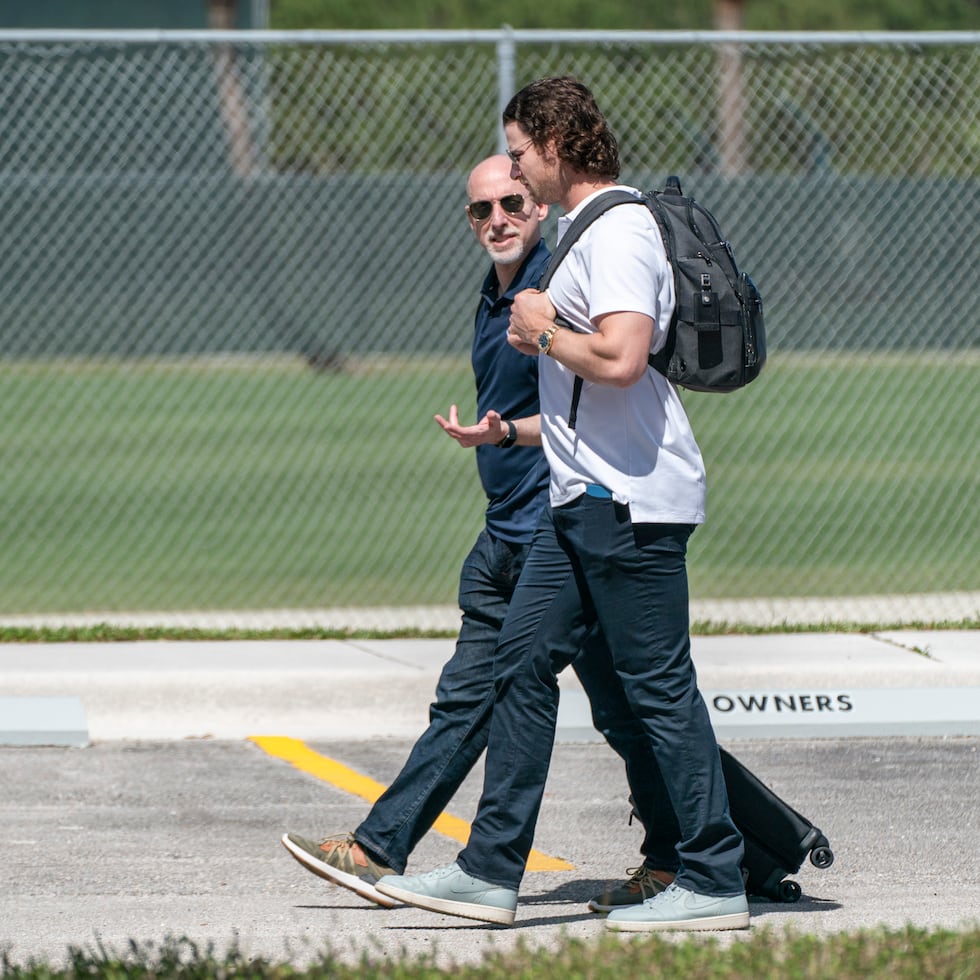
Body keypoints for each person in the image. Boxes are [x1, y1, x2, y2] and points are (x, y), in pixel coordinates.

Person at [375, 78, 749, 933]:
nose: (510, 169)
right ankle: (488, 871)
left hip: (630, 501)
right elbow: (588, 396)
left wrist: (540, 328)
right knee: (520, 664)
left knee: (656, 689)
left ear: (552, 146)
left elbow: (619, 360)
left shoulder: (617, 231)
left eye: (517, 151)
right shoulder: (588, 232)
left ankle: (715, 876)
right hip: (580, 500)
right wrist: (509, 433)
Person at [281, 153, 676, 915]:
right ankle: (379, 847)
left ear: (537, 208)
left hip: (557, 535)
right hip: (507, 533)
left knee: (620, 706)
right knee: (523, 701)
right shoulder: (496, 299)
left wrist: (516, 437)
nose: (495, 218)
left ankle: (701, 853)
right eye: (479, 209)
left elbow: (609, 375)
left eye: (511, 202)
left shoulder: (552, 290)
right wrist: (493, 439)